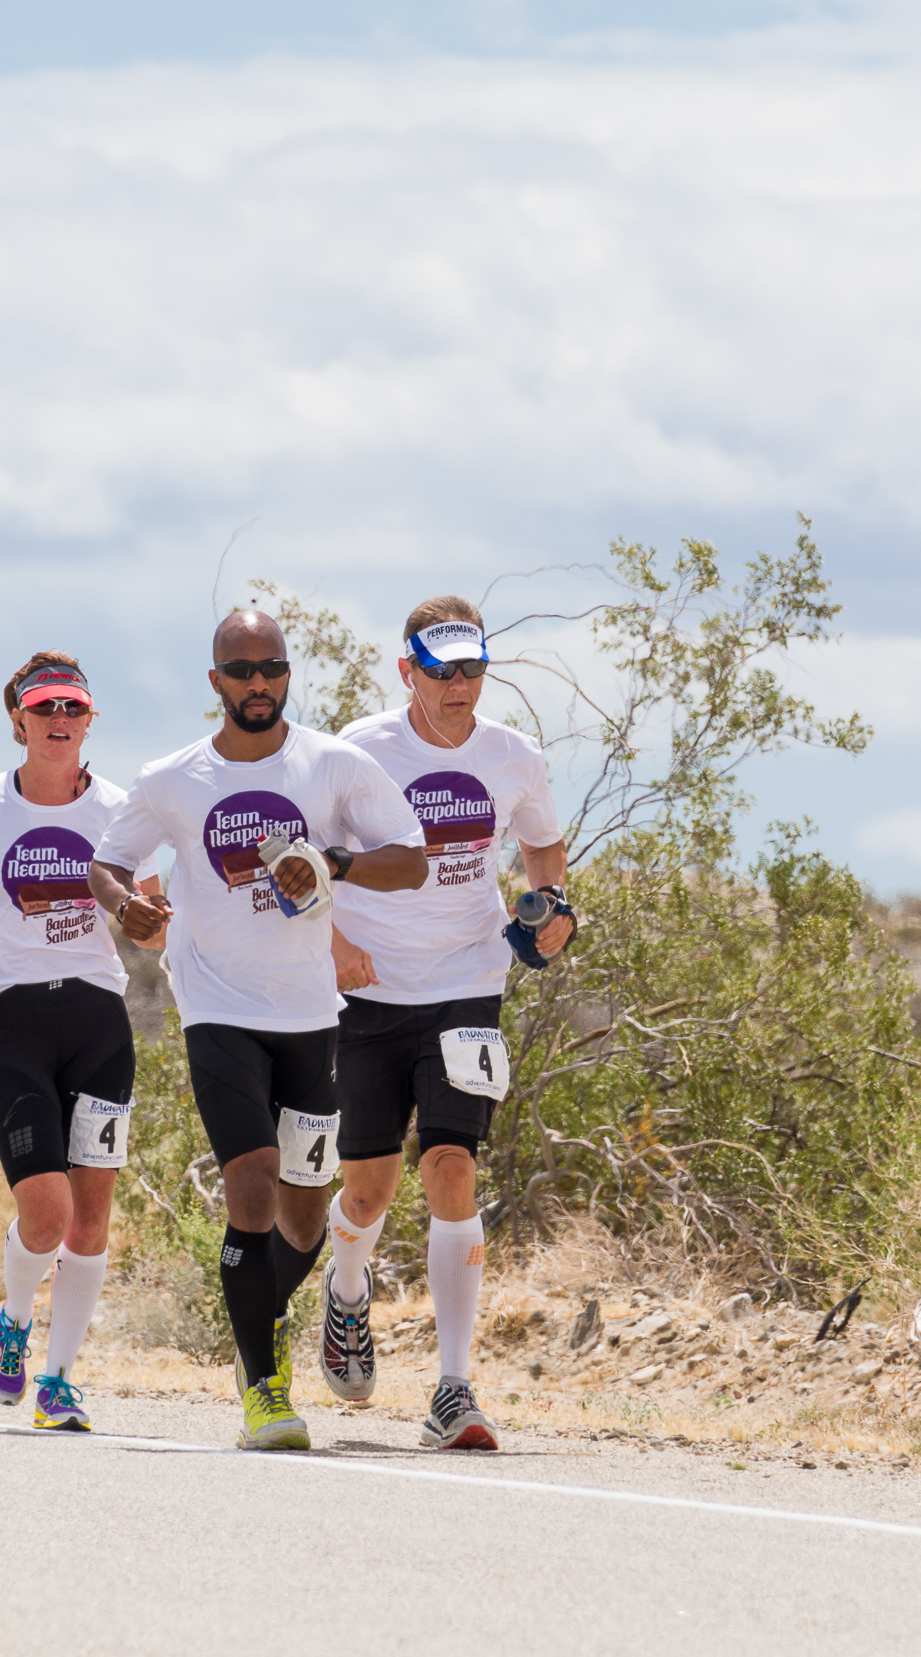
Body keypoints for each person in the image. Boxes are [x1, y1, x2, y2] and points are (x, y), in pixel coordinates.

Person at [88, 609, 428, 1452]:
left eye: (271, 668)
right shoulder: (173, 777)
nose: (258, 684)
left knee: (306, 1220)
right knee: (251, 1187)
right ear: (215, 681)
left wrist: (335, 862)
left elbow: (412, 857)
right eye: (240, 671)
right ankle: (265, 1391)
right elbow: (105, 859)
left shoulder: (334, 765)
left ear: (287, 672)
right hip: (217, 1007)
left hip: (309, 1015)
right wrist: (126, 904)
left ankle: (260, 1327)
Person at [325, 595, 575, 1450]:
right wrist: (330, 942)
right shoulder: (358, 751)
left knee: (451, 1164)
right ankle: (347, 1285)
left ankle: (453, 1389)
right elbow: (302, 859)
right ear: (408, 671)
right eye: (442, 669)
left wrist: (552, 905)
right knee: (367, 1188)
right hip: (367, 991)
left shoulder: (514, 757)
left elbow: (541, 845)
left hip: (469, 983)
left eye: (472, 667)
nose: (460, 683)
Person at [0, 653, 166, 1431]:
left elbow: (155, 923)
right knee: (47, 1210)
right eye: (45, 706)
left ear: (90, 720)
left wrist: (150, 922)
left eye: (74, 707)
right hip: (10, 1023)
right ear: (19, 719)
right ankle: (16, 1318)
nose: (59, 719)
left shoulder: (124, 812)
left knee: (91, 1219)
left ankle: (59, 1381)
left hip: (97, 1023)